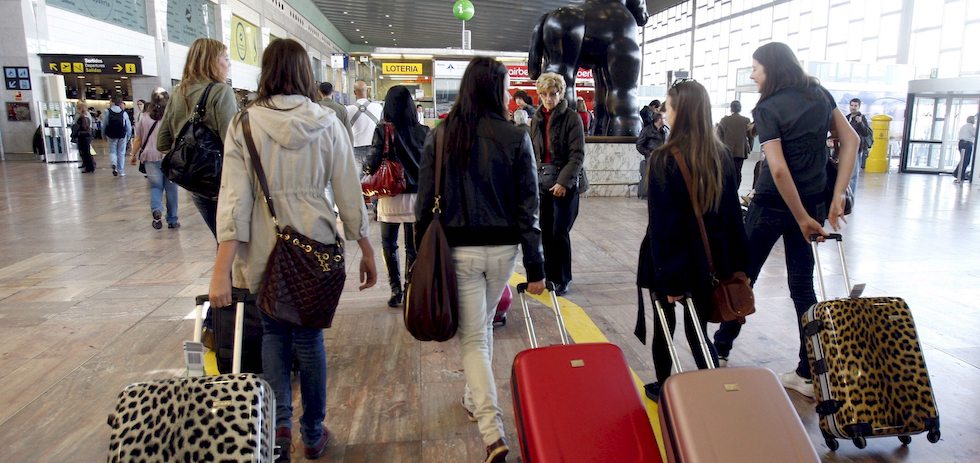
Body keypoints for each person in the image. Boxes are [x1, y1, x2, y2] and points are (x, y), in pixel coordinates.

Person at [208, 38, 378, 463]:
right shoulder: (327, 123)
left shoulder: (244, 124)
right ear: (304, 72)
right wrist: (365, 246)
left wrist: (222, 269)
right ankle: (313, 432)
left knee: (272, 334)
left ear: (266, 72)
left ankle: (279, 427)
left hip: (265, 247)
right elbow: (348, 192)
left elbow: (234, 200)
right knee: (308, 339)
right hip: (315, 246)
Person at [415, 56, 545, 463]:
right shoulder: (515, 136)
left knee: (473, 336)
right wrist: (536, 264)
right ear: (497, 89)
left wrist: (421, 257)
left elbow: (423, 205)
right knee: (482, 326)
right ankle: (474, 399)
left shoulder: (441, 135)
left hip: (457, 251)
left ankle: (491, 431)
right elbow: (529, 204)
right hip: (503, 252)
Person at [711, 42, 857, 398]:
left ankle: (721, 348)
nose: (752, 74)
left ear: (771, 70)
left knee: (743, 276)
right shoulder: (820, 94)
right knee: (802, 287)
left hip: (772, 206)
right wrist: (835, 196)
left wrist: (800, 216)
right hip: (810, 204)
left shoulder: (768, 107)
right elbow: (850, 141)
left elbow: (777, 169)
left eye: (756, 68)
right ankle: (808, 371)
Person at [637, 80, 748, 401]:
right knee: (696, 325)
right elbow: (732, 217)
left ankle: (664, 386)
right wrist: (740, 266)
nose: (665, 111)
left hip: (668, 262)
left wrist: (671, 281)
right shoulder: (722, 156)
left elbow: (663, 226)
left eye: (669, 106)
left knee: (665, 325)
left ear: (680, 111)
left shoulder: (663, 158)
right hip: (707, 261)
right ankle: (712, 382)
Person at [157, 37, 239, 239]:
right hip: (224, 183)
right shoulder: (221, 91)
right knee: (236, 249)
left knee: (224, 244)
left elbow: (163, 142)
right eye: (225, 58)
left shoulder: (178, 92)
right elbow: (233, 144)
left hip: (197, 186)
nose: (228, 64)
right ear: (211, 61)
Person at [365, 85, 428, 307]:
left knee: (389, 245)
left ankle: (395, 290)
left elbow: (372, 162)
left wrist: (366, 169)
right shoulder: (423, 131)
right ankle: (412, 288)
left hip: (390, 196)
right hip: (416, 198)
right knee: (413, 248)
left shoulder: (383, 130)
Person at [530, 72, 586, 296]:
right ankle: (549, 276)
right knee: (544, 231)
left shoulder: (572, 118)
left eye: (552, 94)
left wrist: (563, 182)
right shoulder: (536, 118)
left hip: (565, 183)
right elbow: (534, 154)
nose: (548, 99)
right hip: (542, 182)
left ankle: (563, 278)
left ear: (561, 93)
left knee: (559, 232)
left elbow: (577, 155)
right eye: (543, 94)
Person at [132, 89, 179, 229]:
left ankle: (156, 211)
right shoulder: (172, 116)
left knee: (155, 187)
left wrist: (133, 155)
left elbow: (138, 139)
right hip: (170, 157)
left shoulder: (144, 117)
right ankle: (172, 219)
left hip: (150, 156)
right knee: (171, 189)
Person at [346, 79, 383, 167]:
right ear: (367, 91)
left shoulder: (348, 109)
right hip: (374, 145)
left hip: (356, 146)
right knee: (373, 177)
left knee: (359, 177)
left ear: (354, 93)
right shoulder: (378, 107)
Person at [717, 100, 753, 188]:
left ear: (731, 108)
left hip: (726, 151)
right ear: (740, 108)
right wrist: (750, 148)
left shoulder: (724, 120)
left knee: (726, 171)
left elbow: (718, 136)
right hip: (740, 152)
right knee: (737, 171)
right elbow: (751, 136)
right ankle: (736, 188)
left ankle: (726, 189)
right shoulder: (746, 120)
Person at [636, 111, 668, 199]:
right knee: (651, 177)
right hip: (651, 157)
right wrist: (648, 153)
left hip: (664, 157)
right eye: (664, 118)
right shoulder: (647, 130)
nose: (665, 120)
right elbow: (639, 145)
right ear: (659, 119)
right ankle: (648, 194)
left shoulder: (666, 130)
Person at [103, 96, 132, 177]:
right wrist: (129, 136)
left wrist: (103, 135)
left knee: (112, 151)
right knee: (121, 153)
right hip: (122, 135)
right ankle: (121, 171)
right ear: (120, 103)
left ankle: (113, 164)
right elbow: (128, 126)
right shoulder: (124, 113)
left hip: (111, 134)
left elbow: (104, 124)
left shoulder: (107, 111)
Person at [73, 102, 95, 173]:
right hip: (87, 135)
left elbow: (78, 126)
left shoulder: (81, 117)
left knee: (85, 152)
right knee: (87, 151)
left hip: (83, 136)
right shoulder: (87, 116)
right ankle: (90, 166)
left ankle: (89, 167)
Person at [955, 115, 975, 184]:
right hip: (966, 144)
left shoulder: (964, 126)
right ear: (971, 120)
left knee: (963, 160)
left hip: (961, 143)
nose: (975, 120)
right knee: (966, 160)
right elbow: (976, 134)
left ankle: (959, 175)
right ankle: (959, 175)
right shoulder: (970, 127)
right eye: (974, 119)